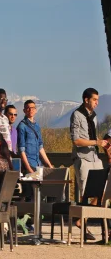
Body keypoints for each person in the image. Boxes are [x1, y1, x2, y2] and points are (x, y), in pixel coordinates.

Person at [70, 88, 106, 240]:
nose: (97, 102)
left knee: (103, 191)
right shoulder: (76, 115)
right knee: (86, 193)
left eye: (98, 100)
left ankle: (82, 221)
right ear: (86, 100)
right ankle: (83, 225)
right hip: (83, 158)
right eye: (94, 100)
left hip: (95, 157)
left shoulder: (95, 117)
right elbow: (76, 140)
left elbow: (94, 137)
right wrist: (96, 141)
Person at [17, 100, 53, 174]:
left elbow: (40, 147)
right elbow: (21, 150)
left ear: (36, 110)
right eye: (28, 108)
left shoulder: (37, 126)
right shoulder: (22, 126)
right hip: (29, 165)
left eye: (33, 108)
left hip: (38, 164)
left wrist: (49, 165)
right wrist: (28, 168)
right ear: (24, 110)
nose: (30, 110)